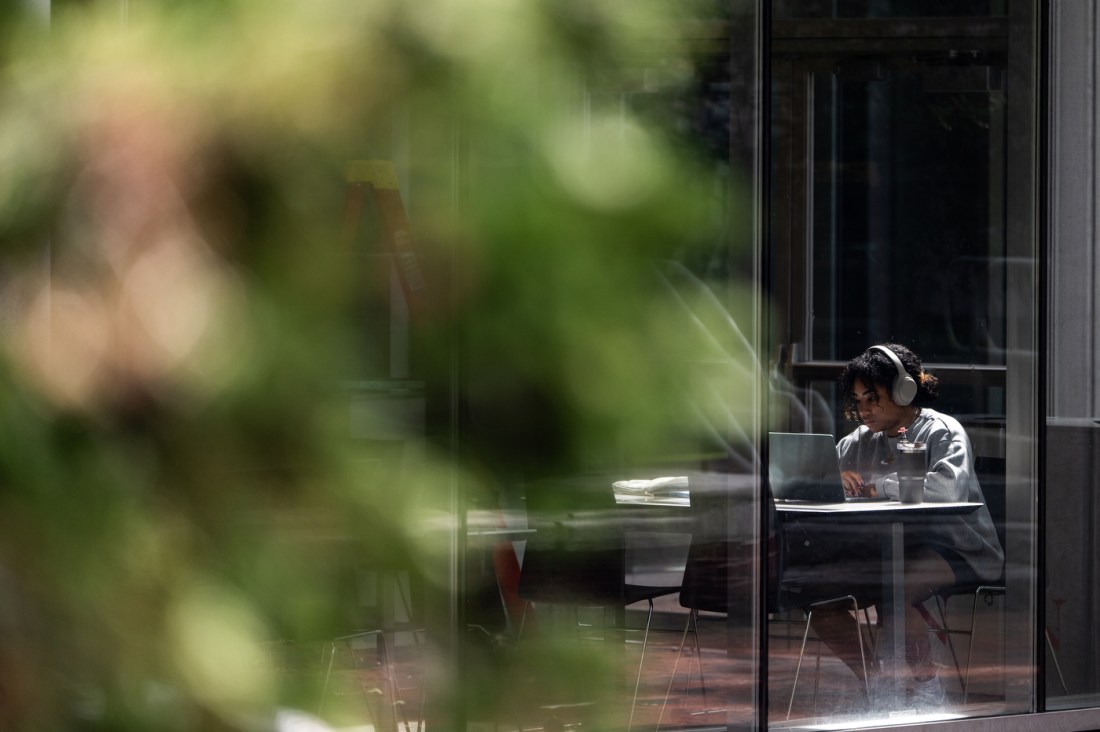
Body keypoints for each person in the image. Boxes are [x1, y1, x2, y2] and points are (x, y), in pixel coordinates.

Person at [807, 343, 1004, 711]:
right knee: (820, 600)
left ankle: (928, 686)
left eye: (873, 399)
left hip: (958, 548)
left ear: (903, 390)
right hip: (885, 550)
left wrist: (878, 485)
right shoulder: (858, 442)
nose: (863, 410)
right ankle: (878, 684)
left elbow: (944, 492)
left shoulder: (943, 432)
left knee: (894, 588)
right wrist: (833, 476)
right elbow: (812, 477)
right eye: (857, 401)